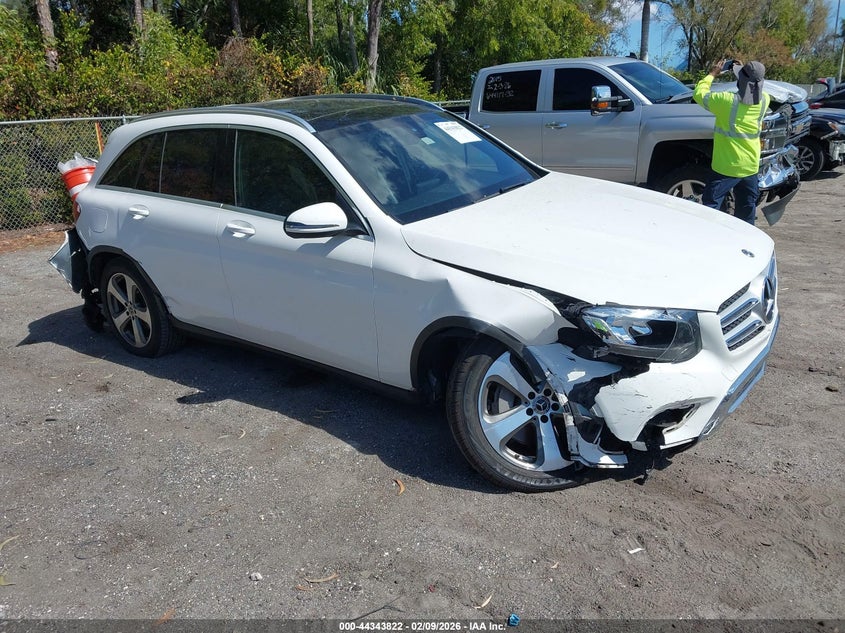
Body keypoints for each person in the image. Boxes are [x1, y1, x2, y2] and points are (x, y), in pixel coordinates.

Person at [693, 59, 769, 225]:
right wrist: (741, 72)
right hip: (750, 166)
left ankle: (708, 236)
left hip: (726, 167)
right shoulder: (765, 100)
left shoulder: (725, 101)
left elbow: (699, 93)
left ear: (741, 80)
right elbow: (750, 91)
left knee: (711, 206)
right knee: (747, 210)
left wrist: (712, 74)